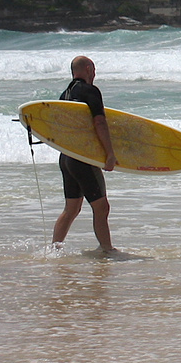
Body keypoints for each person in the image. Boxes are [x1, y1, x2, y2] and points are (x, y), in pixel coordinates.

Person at [51, 55, 119, 253]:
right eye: (94, 70)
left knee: (71, 209)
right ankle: (106, 250)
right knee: (101, 207)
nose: (95, 75)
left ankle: (55, 250)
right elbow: (99, 122)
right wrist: (110, 153)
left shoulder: (64, 95)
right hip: (81, 158)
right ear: (89, 69)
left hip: (66, 157)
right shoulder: (91, 91)